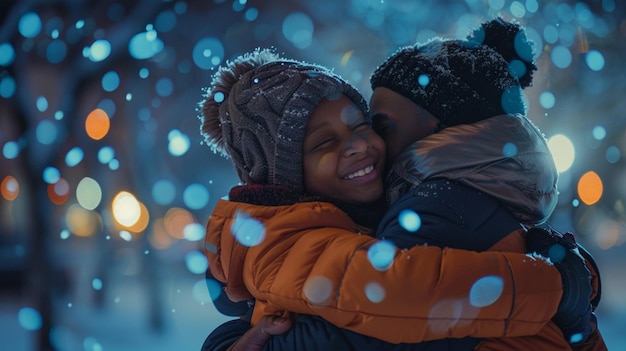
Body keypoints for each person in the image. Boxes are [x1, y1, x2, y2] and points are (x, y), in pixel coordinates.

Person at [198, 40, 596, 351]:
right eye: (324, 144)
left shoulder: (375, 214)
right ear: (287, 173)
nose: (358, 145)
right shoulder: (296, 236)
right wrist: (559, 286)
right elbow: (395, 302)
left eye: (364, 125)